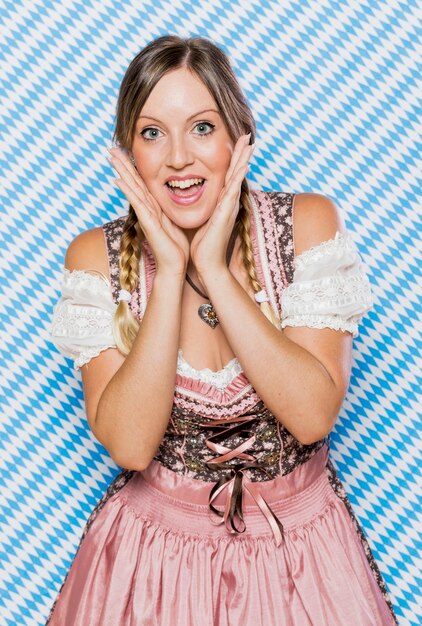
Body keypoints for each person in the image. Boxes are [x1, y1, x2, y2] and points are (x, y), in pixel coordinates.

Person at [46, 35, 398, 625]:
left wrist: (212, 266)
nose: (179, 157)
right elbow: (130, 446)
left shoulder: (307, 226)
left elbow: (312, 414)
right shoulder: (93, 258)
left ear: (240, 136)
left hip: (299, 552)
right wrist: (170, 260)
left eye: (202, 127)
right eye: (152, 133)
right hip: (149, 556)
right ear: (130, 154)